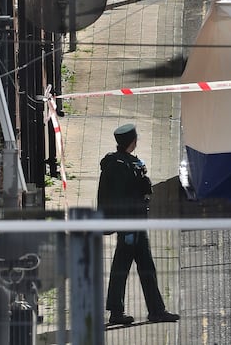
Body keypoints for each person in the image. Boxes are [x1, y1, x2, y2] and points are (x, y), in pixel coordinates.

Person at [97, 123, 180, 325]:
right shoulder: (120, 166)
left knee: (140, 267)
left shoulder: (122, 163)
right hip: (130, 224)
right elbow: (124, 196)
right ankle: (137, 311)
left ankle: (150, 310)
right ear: (131, 141)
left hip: (134, 224)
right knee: (127, 268)